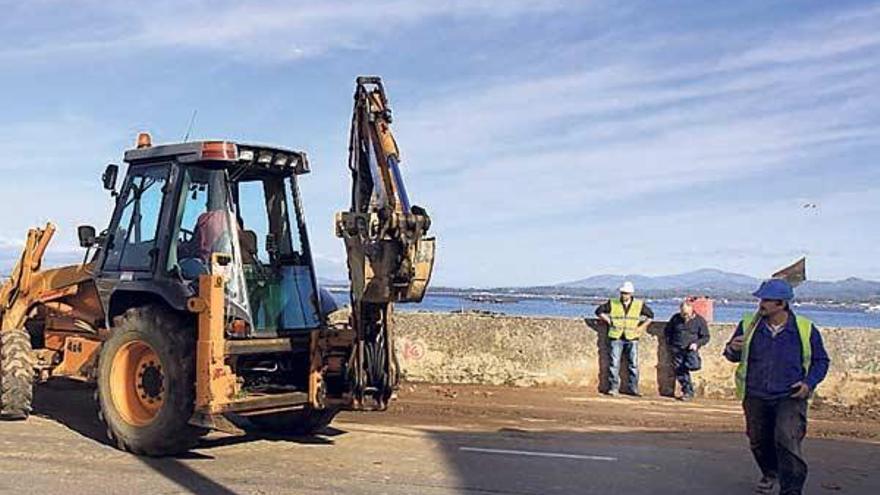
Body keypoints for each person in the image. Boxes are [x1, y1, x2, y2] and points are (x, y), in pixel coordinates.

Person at [723, 279, 830, 495]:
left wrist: (809, 384)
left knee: (787, 440)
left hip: (790, 394)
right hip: (755, 393)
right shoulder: (748, 325)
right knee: (758, 440)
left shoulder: (805, 329)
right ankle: (770, 472)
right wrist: (732, 349)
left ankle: (791, 489)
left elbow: (821, 360)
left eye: (766, 300)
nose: (761, 304)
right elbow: (732, 355)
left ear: (781, 304)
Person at [595, 281, 654, 397]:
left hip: (632, 337)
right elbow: (599, 311)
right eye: (622, 293)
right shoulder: (613, 303)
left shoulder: (639, 304)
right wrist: (609, 321)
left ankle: (633, 388)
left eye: (626, 293)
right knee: (614, 364)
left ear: (631, 294)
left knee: (633, 364)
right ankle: (613, 388)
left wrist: (641, 327)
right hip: (616, 336)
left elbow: (651, 316)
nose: (624, 295)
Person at [664, 300, 710, 401]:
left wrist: (696, 344)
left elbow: (706, 337)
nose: (684, 315)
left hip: (690, 350)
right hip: (677, 349)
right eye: (682, 313)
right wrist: (671, 344)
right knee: (680, 371)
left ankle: (689, 385)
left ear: (691, 310)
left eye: (686, 313)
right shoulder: (675, 318)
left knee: (694, 366)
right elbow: (668, 331)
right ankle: (687, 392)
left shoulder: (699, 320)